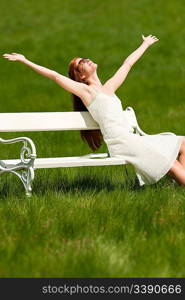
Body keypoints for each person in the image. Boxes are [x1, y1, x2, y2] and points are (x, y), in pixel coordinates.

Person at [2, 34, 185, 186]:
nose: (85, 60)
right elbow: (55, 76)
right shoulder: (86, 92)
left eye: (84, 59)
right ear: (80, 76)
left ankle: (179, 186)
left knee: (182, 143)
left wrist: (145, 44)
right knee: (169, 163)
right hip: (123, 143)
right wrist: (25, 61)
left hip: (133, 139)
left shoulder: (109, 88)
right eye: (80, 63)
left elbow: (127, 64)